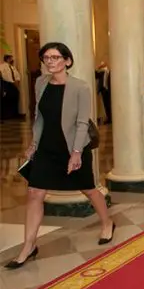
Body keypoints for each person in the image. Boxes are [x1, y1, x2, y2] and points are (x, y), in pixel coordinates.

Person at [5, 42, 115, 269]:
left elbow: (82, 122)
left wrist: (76, 153)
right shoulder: (41, 83)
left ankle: (107, 222)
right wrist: (34, 143)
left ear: (67, 61)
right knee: (35, 192)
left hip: (73, 146)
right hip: (47, 147)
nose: (50, 61)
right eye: (46, 58)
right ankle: (28, 246)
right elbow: (40, 117)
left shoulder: (80, 87)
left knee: (88, 189)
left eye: (55, 57)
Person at [0, 54, 21, 120]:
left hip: (13, 84)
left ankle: (14, 114)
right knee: (7, 99)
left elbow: (17, 75)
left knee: (15, 96)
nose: (13, 60)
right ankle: (6, 115)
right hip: (6, 84)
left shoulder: (12, 67)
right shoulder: (2, 66)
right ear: (8, 59)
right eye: (11, 58)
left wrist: (17, 81)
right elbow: (1, 75)